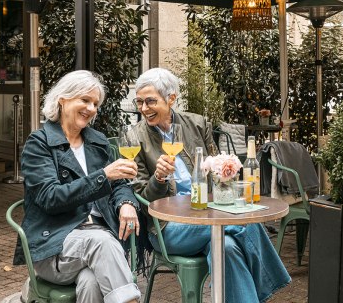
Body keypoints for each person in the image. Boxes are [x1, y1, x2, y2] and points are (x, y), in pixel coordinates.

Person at [130, 68, 291, 303]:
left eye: (150, 101)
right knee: (242, 224)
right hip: (168, 227)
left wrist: (223, 172)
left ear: (171, 98)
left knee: (227, 248)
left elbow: (218, 170)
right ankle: (272, 281)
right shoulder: (136, 138)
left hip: (208, 212)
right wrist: (159, 178)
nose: (144, 109)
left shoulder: (197, 124)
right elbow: (142, 199)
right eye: (140, 102)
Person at [19, 70, 142, 303]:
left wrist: (127, 203)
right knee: (102, 242)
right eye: (84, 100)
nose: (91, 108)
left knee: (91, 281)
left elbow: (121, 183)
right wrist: (103, 175)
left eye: (95, 103)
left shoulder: (97, 141)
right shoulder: (39, 144)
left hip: (96, 243)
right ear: (63, 99)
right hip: (54, 244)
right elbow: (50, 198)